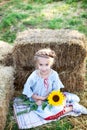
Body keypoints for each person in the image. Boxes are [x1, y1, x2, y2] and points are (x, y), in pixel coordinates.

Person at [22, 48, 87, 120]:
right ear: (37, 64)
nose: (44, 68)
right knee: (47, 116)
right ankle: (73, 107)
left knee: (58, 107)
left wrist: (48, 97)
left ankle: (66, 97)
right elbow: (27, 89)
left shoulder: (54, 75)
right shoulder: (34, 76)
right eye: (41, 64)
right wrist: (38, 99)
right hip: (37, 99)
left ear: (51, 64)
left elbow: (56, 90)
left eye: (47, 65)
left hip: (51, 97)